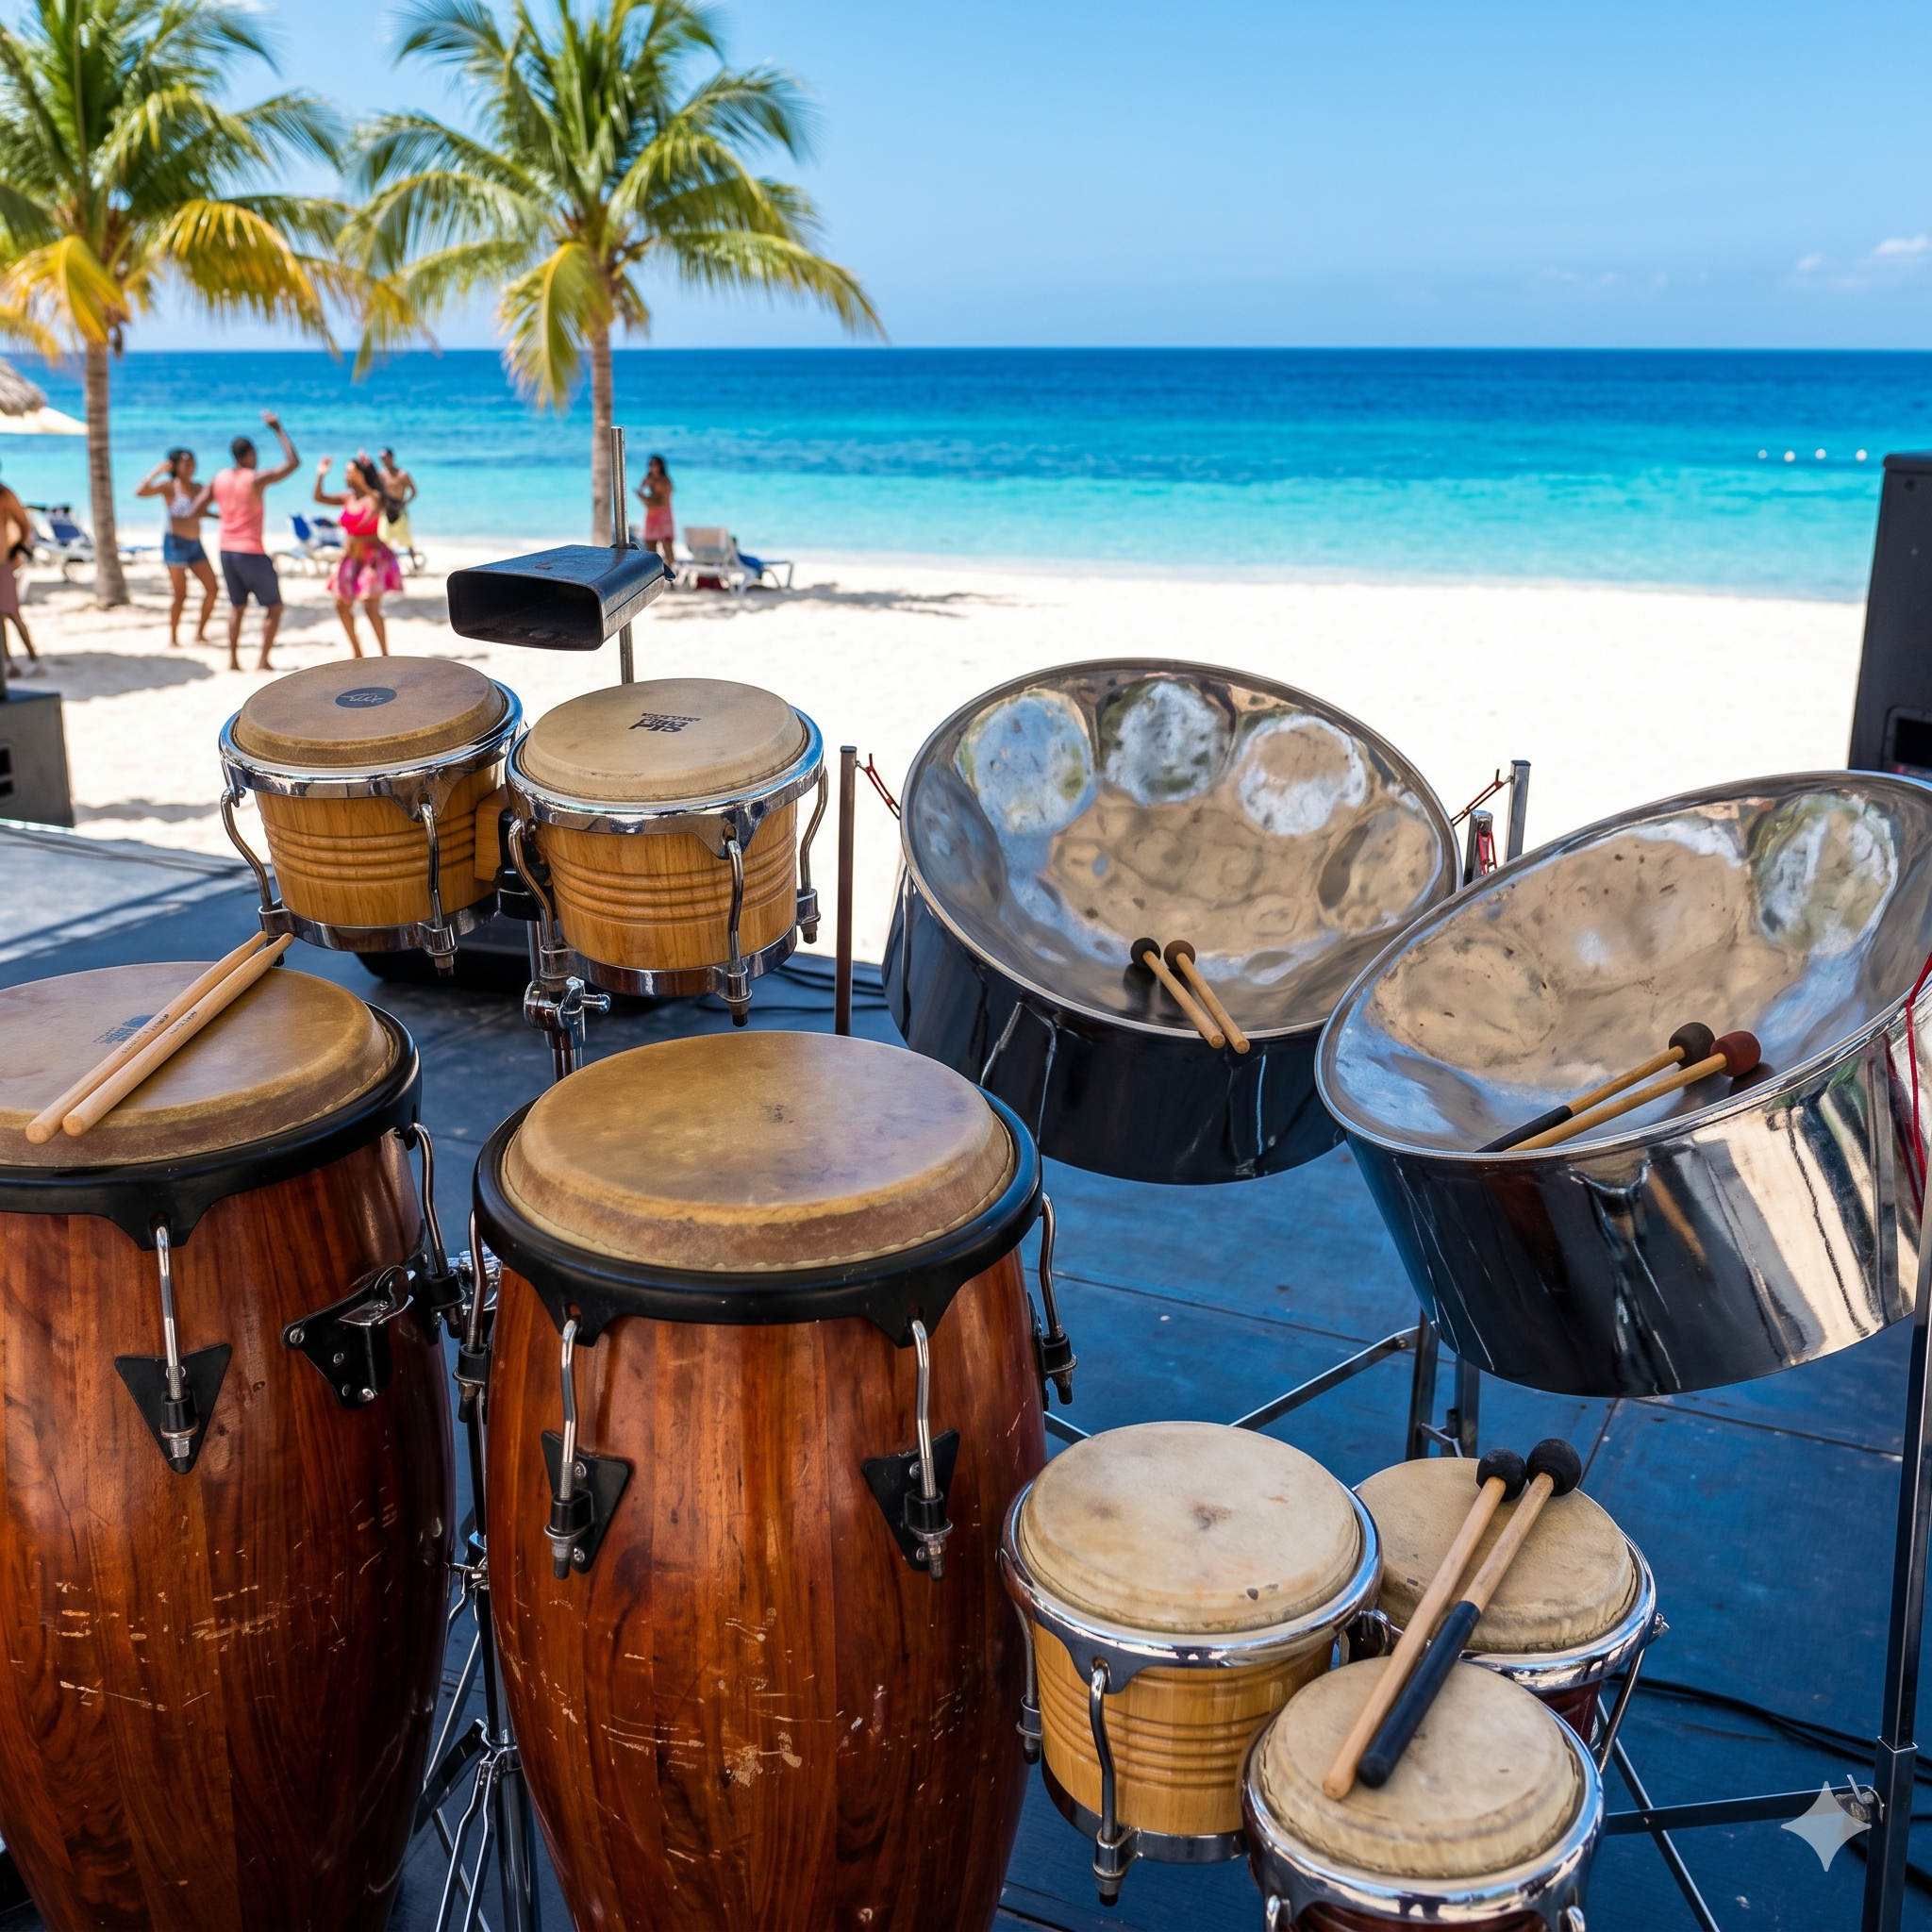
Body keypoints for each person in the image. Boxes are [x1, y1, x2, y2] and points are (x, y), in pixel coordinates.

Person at [211, 410, 299, 672]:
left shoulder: (220, 478)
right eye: (255, 454)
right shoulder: (255, 479)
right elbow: (293, 463)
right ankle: (262, 661)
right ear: (248, 455)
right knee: (274, 607)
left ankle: (234, 660)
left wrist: (224, 517)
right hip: (250, 551)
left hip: (225, 550)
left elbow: (195, 508)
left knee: (237, 607)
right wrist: (278, 429)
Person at [314, 455, 403, 658]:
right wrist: (321, 475)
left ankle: (384, 653)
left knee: (370, 605)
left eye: (349, 471)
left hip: (374, 558)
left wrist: (364, 484)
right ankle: (357, 651)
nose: (346, 475)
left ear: (361, 474)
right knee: (340, 604)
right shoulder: (347, 498)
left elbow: (371, 513)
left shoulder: (375, 498)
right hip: (351, 558)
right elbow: (319, 498)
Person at [135, 448, 217, 647]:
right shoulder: (169, 487)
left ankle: (199, 634)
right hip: (175, 544)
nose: (190, 466)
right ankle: (173, 638)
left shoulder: (199, 487)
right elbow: (140, 492)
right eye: (185, 462)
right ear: (175, 465)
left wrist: (224, 517)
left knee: (213, 589)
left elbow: (201, 512)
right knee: (180, 595)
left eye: (193, 461)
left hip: (196, 545)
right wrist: (157, 471)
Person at [0, 474, 40, 679]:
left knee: (12, 613)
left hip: (4, 563)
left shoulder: (4, 494)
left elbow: (24, 525)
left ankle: (34, 659)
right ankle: (8, 663)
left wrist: (17, 551)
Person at [376, 447, 418, 565]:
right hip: (386, 511)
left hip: (400, 510)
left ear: (392, 457)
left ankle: (414, 563)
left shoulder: (402, 474)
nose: (384, 460)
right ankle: (384, 564)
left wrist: (405, 502)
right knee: (384, 540)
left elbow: (414, 491)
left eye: (385, 457)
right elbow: (376, 493)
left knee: (407, 540)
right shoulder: (381, 475)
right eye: (381, 458)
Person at [637, 454, 675, 580]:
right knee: (650, 548)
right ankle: (653, 576)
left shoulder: (665, 481)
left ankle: (672, 575)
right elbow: (650, 503)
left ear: (660, 466)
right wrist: (643, 489)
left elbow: (659, 502)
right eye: (650, 465)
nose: (652, 467)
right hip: (652, 515)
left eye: (654, 464)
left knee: (667, 546)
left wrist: (642, 493)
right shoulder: (652, 481)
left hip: (663, 515)